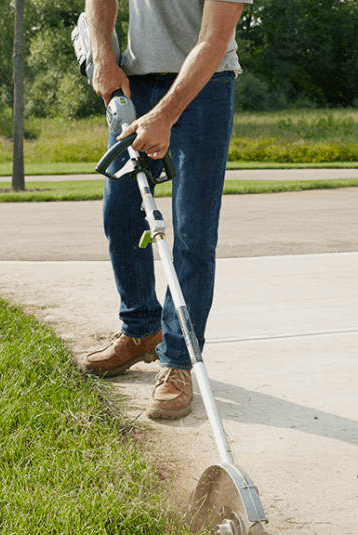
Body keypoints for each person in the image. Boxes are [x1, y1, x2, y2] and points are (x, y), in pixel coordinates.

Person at [80, 0, 250, 420]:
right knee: (120, 212)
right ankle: (140, 329)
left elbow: (214, 39)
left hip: (205, 88)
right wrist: (103, 58)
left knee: (192, 230)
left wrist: (165, 114)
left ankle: (177, 360)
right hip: (135, 83)